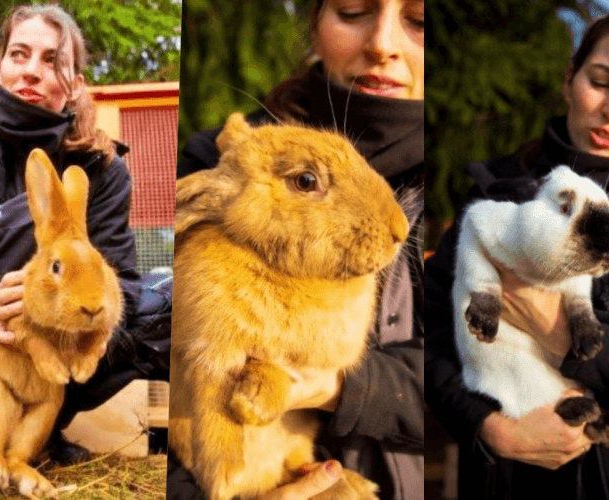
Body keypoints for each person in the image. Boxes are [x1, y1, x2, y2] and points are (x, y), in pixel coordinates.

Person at [167, 0, 425, 498]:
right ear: (314, 22)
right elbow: (147, 338)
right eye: (353, 11)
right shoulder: (210, 159)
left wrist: (333, 387)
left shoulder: (440, 194)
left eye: (419, 22)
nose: (382, 45)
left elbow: (455, 374)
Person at [423, 10, 609, 499]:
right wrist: (488, 427)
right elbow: (430, 330)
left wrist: (565, 334)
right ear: (569, 80)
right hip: (508, 480)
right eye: (601, 82)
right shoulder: (496, 194)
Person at [0, 4, 169, 465]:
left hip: (68, 346)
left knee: (176, 300)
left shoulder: (104, 169)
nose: (32, 71)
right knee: (32, 230)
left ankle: (43, 432)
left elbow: (122, 274)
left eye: (53, 60)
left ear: (76, 83)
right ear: (0, 67)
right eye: (19, 55)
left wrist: (99, 333)